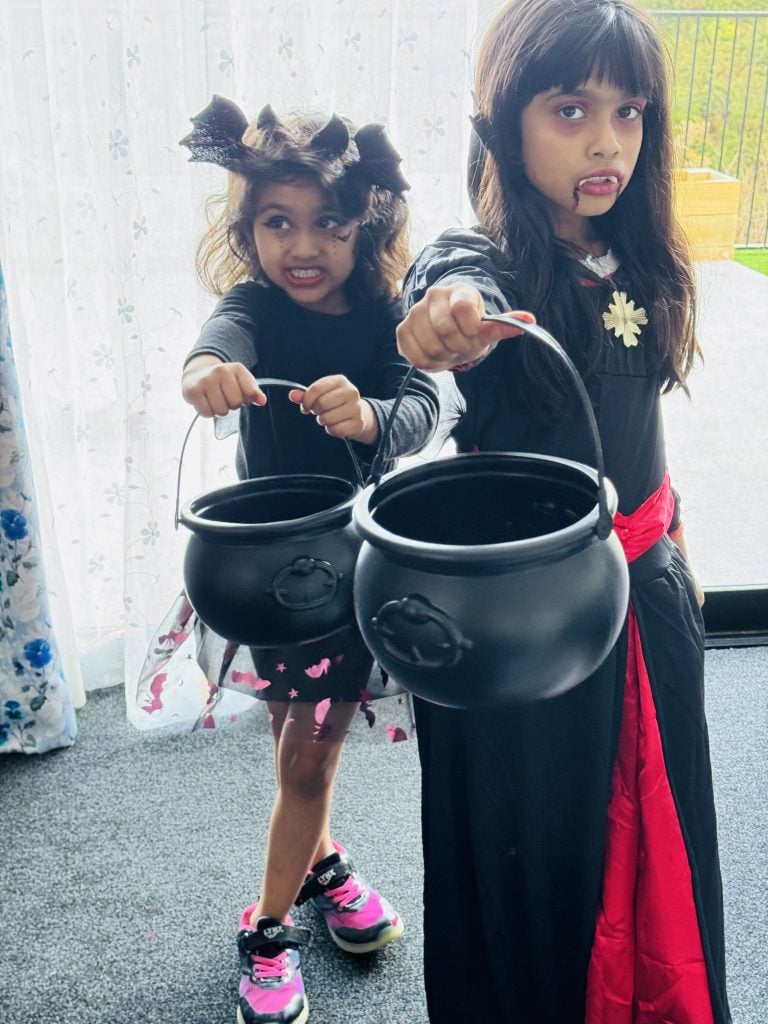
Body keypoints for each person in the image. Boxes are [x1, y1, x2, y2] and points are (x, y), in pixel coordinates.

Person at [395, 2, 731, 1022]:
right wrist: (443, 322)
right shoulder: (482, 259)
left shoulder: (646, 258)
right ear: (504, 120)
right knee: (538, 847)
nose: (606, 142)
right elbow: (436, 302)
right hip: (523, 628)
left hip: (647, 602)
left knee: (659, 835)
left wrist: (674, 546)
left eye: (629, 112)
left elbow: (646, 439)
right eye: (571, 107)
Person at [176, 96, 439, 1024]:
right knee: (300, 743)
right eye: (277, 222)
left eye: (327, 223)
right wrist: (203, 373)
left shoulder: (383, 313)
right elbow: (218, 345)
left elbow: (420, 408)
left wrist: (369, 415)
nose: (303, 245)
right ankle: (310, 879)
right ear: (248, 229)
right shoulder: (251, 306)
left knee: (306, 763)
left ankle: (273, 920)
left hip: (350, 572)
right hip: (269, 575)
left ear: (363, 224)